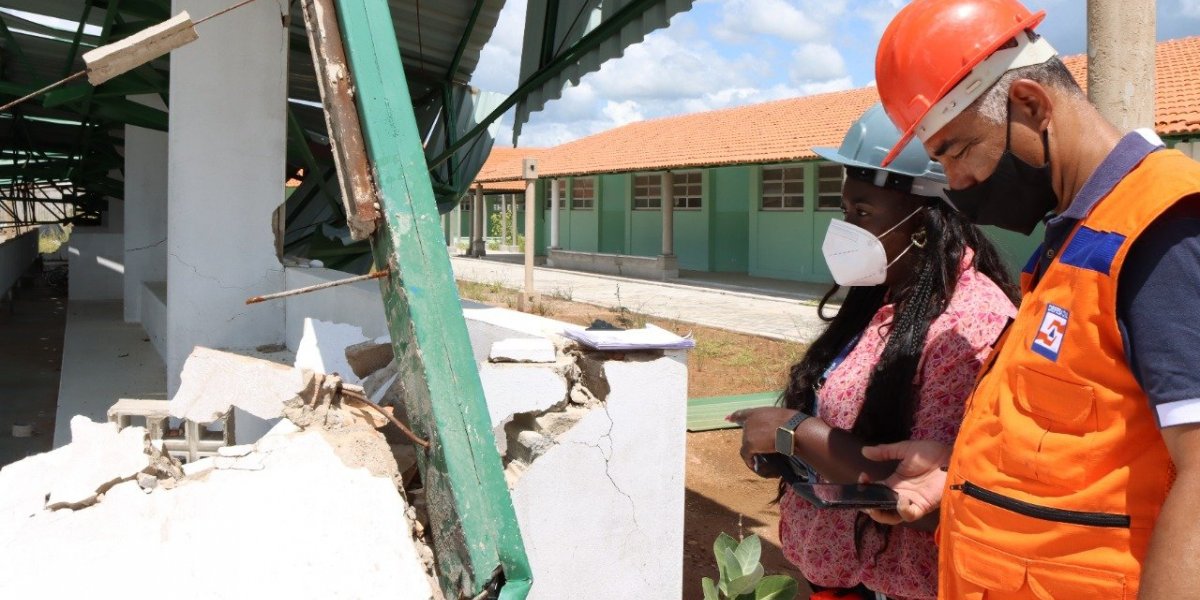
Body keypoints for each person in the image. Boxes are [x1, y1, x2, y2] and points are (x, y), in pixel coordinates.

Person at [863, 1, 1200, 598]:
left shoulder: (1160, 230)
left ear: (1031, 105)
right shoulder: (1076, 238)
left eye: (959, 150)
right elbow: (1089, 440)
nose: (957, 184)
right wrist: (962, 470)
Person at [728, 104, 1018, 600]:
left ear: (925, 221)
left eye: (862, 213)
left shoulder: (968, 323)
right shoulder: (882, 290)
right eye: (844, 210)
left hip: (896, 586)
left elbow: (925, 493)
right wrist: (794, 456)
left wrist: (795, 432)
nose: (845, 228)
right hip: (839, 574)